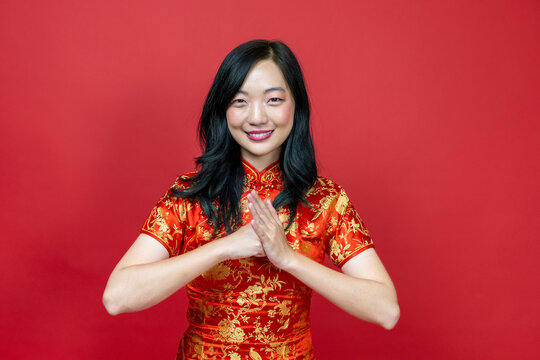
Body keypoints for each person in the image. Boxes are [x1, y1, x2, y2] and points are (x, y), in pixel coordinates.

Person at [103, 39, 399, 360]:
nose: (257, 117)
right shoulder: (192, 197)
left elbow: (385, 310)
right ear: (223, 110)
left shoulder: (325, 200)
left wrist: (287, 258)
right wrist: (226, 247)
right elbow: (117, 297)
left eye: (273, 99)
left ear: (296, 105)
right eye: (240, 101)